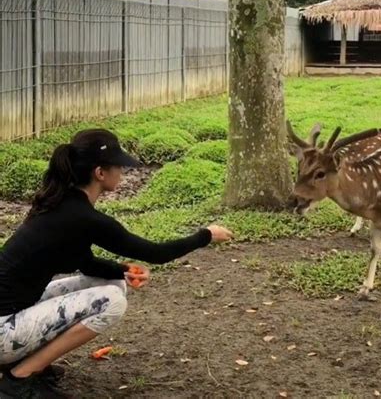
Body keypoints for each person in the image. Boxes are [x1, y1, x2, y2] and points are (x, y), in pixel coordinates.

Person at [0, 129, 232, 398]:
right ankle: (19, 378)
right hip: (4, 329)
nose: (122, 173)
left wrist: (123, 270)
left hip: (10, 317)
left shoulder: (58, 204)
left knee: (113, 284)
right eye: (118, 167)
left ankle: (24, 363)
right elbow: (156, 253)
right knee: (112, 301)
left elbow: (83, 262)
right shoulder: (83, 218)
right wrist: (206, 235)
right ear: (100, 173)